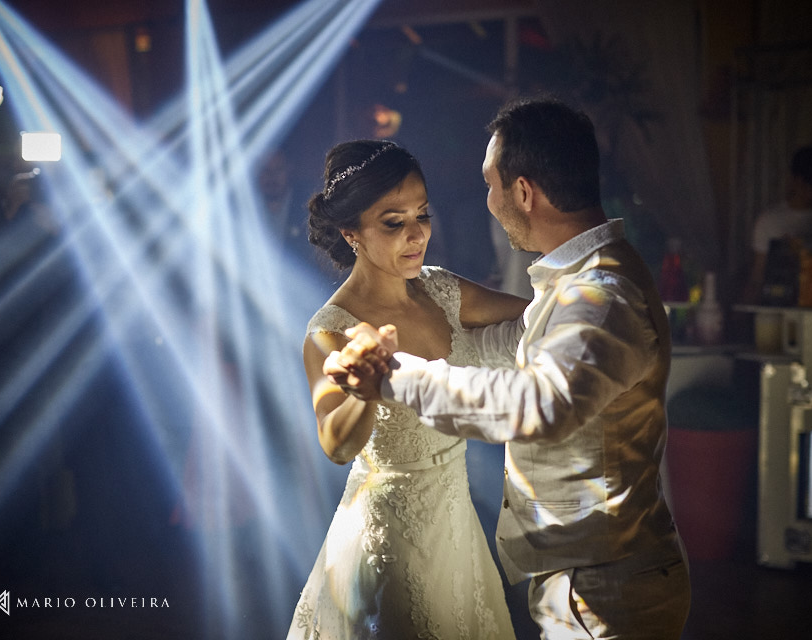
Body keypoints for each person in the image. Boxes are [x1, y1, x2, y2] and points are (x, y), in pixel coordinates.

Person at [328, 97, 692, 639]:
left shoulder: (600, 294)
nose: (489, 201)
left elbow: (537, 403)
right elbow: (523, 341)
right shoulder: (586, 279)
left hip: (601, 588)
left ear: (523, 192)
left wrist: (394, 377)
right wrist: (426, 342)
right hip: (591, 574)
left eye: (491, 185)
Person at [287, 139, 529, 640]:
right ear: (350, 233)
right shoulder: (329, 331)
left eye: (423, 214)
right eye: (394, 222)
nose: (417, 235)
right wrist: (367, 386)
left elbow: (537, 320)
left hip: (457, 522)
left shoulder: (441, 290)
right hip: (387, 536)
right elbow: (335, 443)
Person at [743, 145, 812, 304]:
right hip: (781, 307)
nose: (810, 194)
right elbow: (758, 277)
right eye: (805, 185)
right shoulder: (770, 220)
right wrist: (742, 313)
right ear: (794, 180)